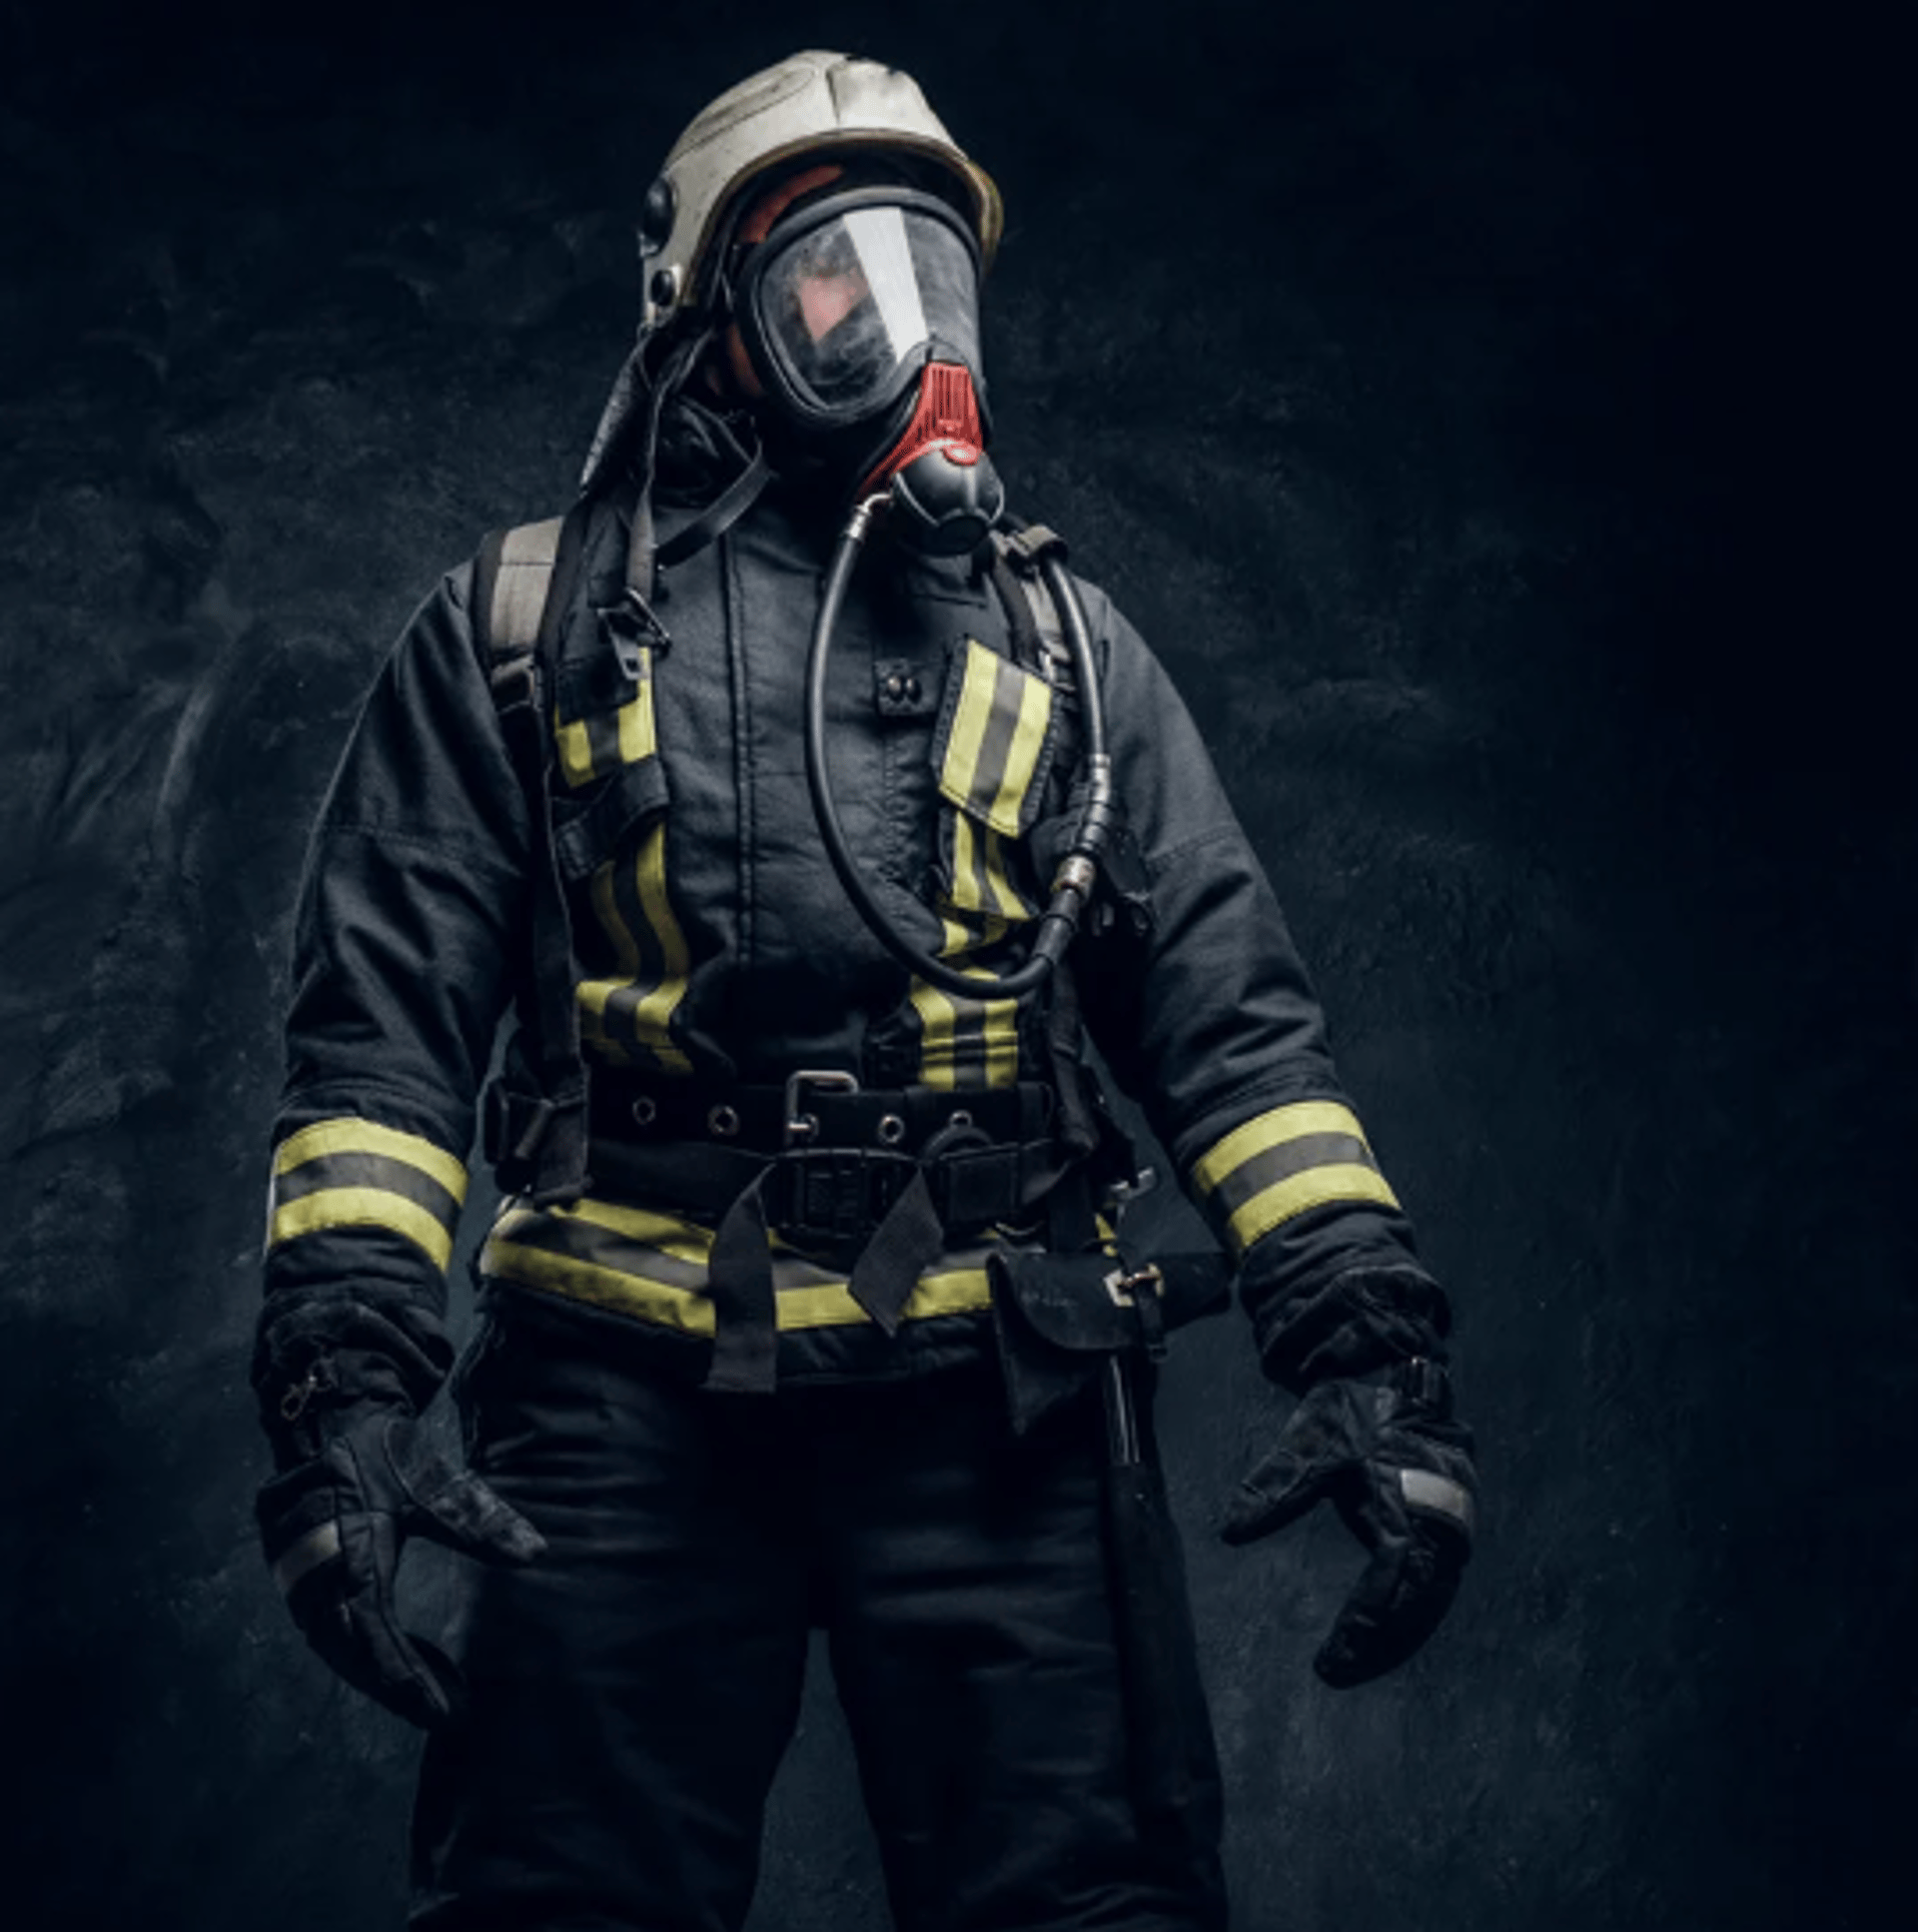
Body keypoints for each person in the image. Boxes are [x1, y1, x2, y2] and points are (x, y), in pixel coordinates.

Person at [251, 49, 1479, 1932]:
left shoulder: (1066, 644)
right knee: (555, 1900)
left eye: (929, 270)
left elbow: (1240, 1039)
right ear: (711, 320)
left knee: (1091, 1903)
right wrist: (347, 1391)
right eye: (834, 274)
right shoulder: (519, 634)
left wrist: (1374, 1359)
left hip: (999, 1395)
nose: (895, 328)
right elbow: (378, 1053)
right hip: (620, 1397)